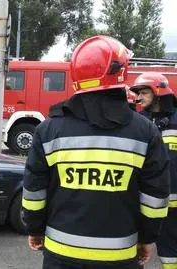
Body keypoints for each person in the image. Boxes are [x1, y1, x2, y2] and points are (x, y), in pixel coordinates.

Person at [21, 35, 170, 269]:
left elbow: (33, 192)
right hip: (120, 256)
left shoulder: (48, 130)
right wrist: (147, 238)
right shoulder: (146, 132)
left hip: (60, 256)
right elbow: (154, 198)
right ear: (120, 73)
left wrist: (35, 229)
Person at [129, 72, 177, 269]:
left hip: (174, 208)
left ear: (158, 92)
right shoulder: (138, 122)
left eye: (143, 92)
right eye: (137, 93)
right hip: (145, 204)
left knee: (170, 253)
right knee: (136, 250)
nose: (138, 97)